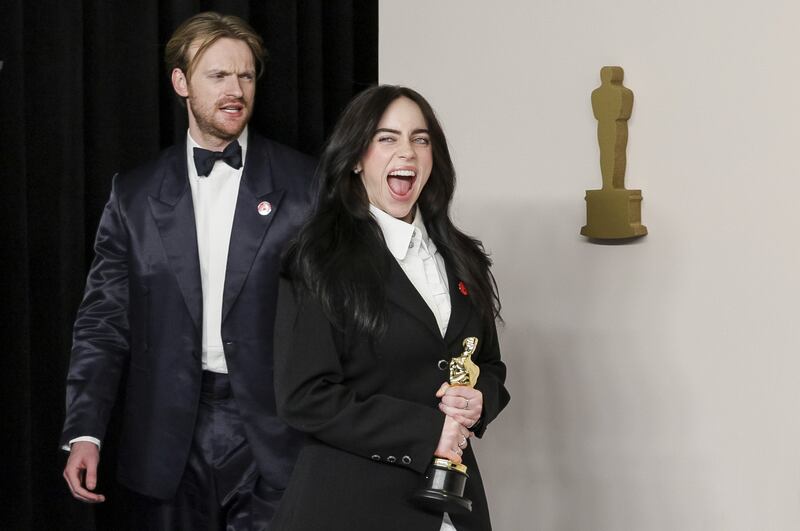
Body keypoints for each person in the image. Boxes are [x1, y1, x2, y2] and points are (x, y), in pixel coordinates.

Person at [60, 12, 316, 529]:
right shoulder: (132, 195)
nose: (236, 90)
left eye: (245, 76)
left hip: (274, 434)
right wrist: (85, 430)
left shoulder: (306, 184)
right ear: (181, 82)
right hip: (167, 436)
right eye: (218, 76)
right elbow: (103, 323)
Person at [271, 85, 510, 530]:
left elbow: (489, 364)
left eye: (420, 139)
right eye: (387, 138)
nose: (408, 152)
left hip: (453, 506)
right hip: (349, 506)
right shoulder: (319, 259)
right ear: (357, 158)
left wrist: (481, 401)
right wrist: (426, 430)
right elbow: (304, 397)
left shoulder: (463, 256)